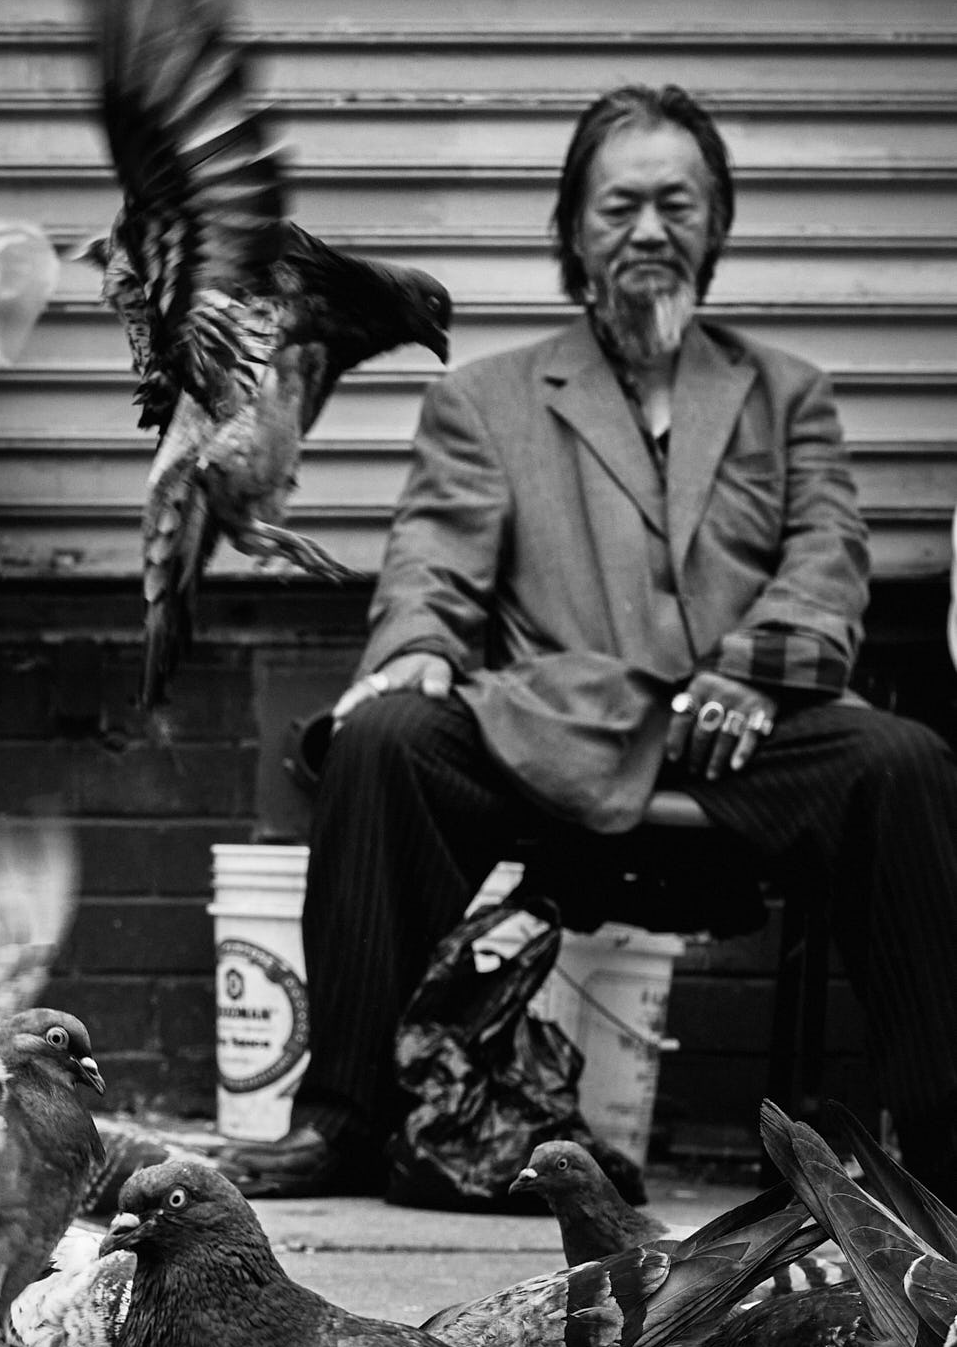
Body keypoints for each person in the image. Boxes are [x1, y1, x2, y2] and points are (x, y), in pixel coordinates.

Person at [219, 83, 957, 1205]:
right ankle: (343, 1118)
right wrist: (417, 645)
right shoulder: (486, 399)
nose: (648, 230)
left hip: (743, 738)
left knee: (904, 764)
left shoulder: (785, 395)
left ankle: (944, 1144)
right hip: (554, 733)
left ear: (715, 225)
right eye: (619, 206)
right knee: (385, 738)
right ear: (572, 231)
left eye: (676, 204)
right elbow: (432, 562)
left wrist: (753, 670)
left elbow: (826, 559)